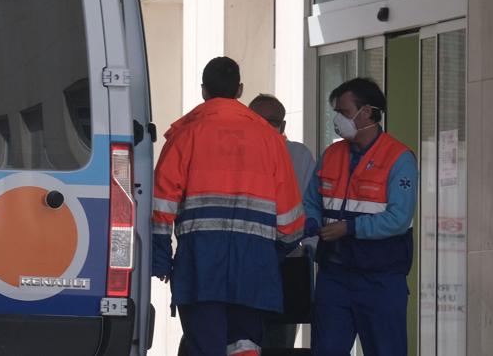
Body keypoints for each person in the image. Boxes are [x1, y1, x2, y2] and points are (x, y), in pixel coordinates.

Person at [153, 57, 306, 356]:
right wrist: (274, 252)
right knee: (245, 344)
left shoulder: (186, 134)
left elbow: (162, 201)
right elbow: (289, 216)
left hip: (201, 264)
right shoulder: (270, 139)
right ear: (240, 89)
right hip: (254, 263)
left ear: (203, 90)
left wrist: (161, 254)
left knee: (205, 344)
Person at [303, 77, 417, 356]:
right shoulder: (332, 154)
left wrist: (350, 228)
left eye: (343, 112)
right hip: (334, 275)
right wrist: (312, 223)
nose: (337, 119)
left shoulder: (399, 158)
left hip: (380, 278)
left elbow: (399, 218)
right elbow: (310, 201)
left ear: (366, 112)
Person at [249, 94, 316, 350]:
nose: (266, 126)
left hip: (285, 265)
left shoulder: (298, 156)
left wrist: (306, 251)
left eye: (273, 121)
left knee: (278, 342)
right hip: (240, 261)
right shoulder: (230, 153)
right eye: (258, 120)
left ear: (284, 126)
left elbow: (309, 209)